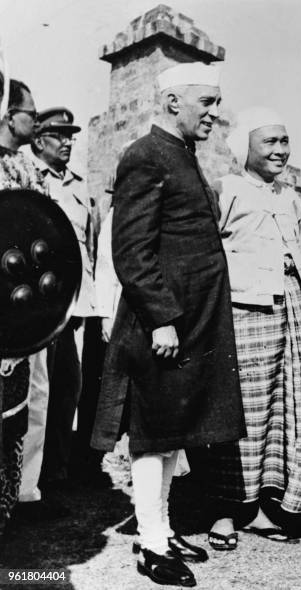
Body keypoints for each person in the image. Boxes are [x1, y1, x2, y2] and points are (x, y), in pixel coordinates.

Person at [91, 62, 245, 587]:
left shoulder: (182, 155)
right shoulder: (144, 155)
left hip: (195, 321)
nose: (216, 113)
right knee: (155, 432)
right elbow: (131, 252)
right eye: (207, 102)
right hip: (165, 324)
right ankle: (151, 543)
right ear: (174, 101)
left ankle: (164, 526)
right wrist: (160, 319)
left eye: (217, 102)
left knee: (175, 426)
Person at [202, 107, 301, 550]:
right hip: (243, 316)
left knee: (279, 412)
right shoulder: (226, 191)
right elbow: (208, 258)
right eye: (269, 143)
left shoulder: (291, 197)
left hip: (288, 314)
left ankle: (259, 506)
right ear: (247, 149)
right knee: (240, 411)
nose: (280, 150)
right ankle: (223, 510)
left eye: (284, 141)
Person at [28, 108, 100, 494]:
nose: (69, 141)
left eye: (72, 135)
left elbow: (88, 245)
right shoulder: (26, 179)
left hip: (70, 308)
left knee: (66, 387)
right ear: (39, 141)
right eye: (60, 135)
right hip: (34, 307)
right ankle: (27, 480)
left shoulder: (79, 186)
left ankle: (55, 473)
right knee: (34, 391)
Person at [0, 75, 46, 539]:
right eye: (30, 111)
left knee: (10, 423)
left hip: (15, 323)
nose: (35, 118)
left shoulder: (28, 169)